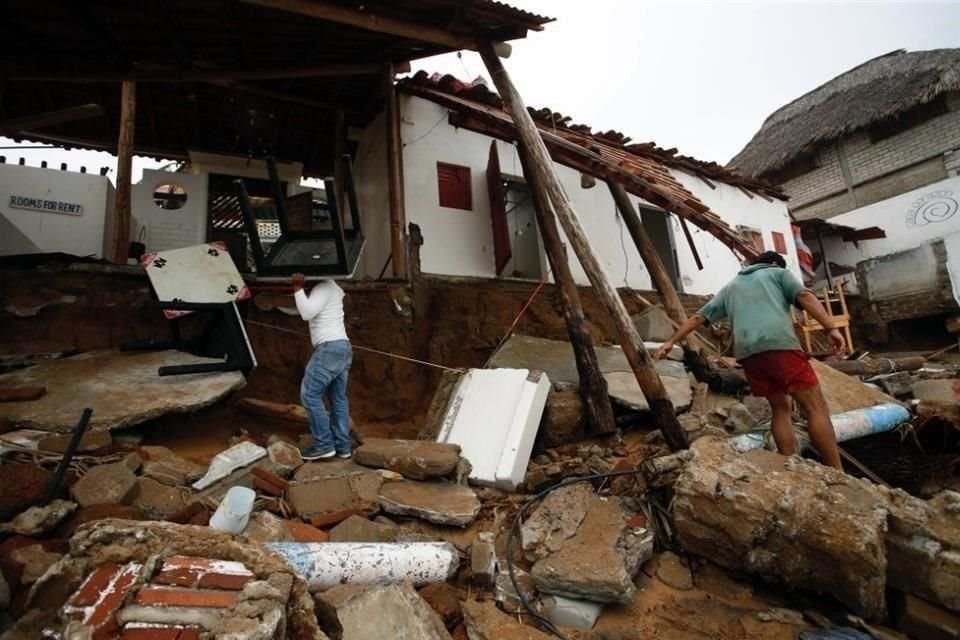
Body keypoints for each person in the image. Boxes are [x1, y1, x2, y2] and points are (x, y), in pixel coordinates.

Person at [654, 251, 845, 469]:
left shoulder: (731, 286)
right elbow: (805, 296)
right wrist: (831, 328)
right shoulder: (778, 273)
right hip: (779, 345)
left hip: (749, 356)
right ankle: (837, 471)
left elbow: (698, 317)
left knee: (780, 408)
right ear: (775, 264)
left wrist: (670, 341)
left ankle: (789, 463)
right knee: (815, 408)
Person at [292, 272, 353, 461]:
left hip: (329, 348)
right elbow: (307, 308)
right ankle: (343, 447)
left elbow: (306, 313)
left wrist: (297, 287)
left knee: (310, 395)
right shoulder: (333, 288)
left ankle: (324, 445)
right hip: (342, 347)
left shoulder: (323, 287)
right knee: (338, 399)